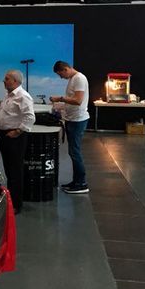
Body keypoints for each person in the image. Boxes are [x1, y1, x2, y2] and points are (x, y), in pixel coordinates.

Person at [0, 70, 35, 214]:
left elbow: (30, 117)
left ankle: (16, 204)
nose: (4, 81)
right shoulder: (9, 96)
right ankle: (11, 200)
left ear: (15, 81)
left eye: (7, 79)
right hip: (6, 136)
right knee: (9, 171)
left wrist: (18, 131)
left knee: (15, 171)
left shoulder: (23, 96)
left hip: (15, 138)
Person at [50, 60, 90, 194]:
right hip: (73, 119)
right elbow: (75, 100)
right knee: (73, 152)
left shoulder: (79, 78)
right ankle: (76, 181)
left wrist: (60, 99)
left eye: (60, 74)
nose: (61, 77)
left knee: (75, 152)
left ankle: (81, 183)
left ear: (65, 69)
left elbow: (78, 100)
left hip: (77, 121)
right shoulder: (74, 79)